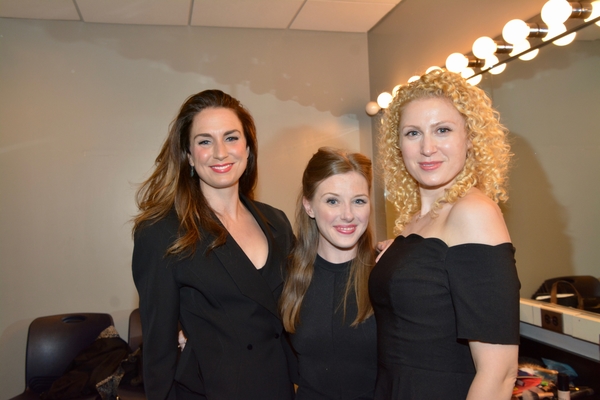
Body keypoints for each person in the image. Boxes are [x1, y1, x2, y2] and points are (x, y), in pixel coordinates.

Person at [131, 90, 295, 400]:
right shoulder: (162, 232)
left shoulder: (277, 222)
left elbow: (306, 295)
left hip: (279, 386)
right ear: (189, 156)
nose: (221, 152)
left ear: (248, 148)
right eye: (205, 141)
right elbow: (158, 347)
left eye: (231, 138)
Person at [369, 70, 520, 400]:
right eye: (412, 133)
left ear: (470, 138)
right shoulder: (415, 223)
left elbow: (500, 372)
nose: (427, 147)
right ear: (398, 145)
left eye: (442, 130)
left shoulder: (473, 212)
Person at [280, 147, 378, 400]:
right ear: (309, 206)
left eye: (359, 200)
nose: (348, 214)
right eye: (332, 201)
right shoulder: (286, 276)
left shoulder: (387, 274)